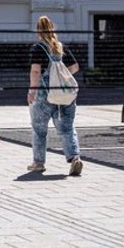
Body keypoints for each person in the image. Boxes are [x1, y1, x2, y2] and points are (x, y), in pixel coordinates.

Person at [27, 15, 83, 176]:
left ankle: (38, 163)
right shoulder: (60, 46)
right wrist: (60, 75)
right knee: (67, 128)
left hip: (44, 94)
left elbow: (36, 71)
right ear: (52, 28)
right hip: (64, 95)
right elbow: (75, 67)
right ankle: (74, 158)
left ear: (38, 30)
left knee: (39, 129)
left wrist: (32, 91)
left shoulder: (38, 47)